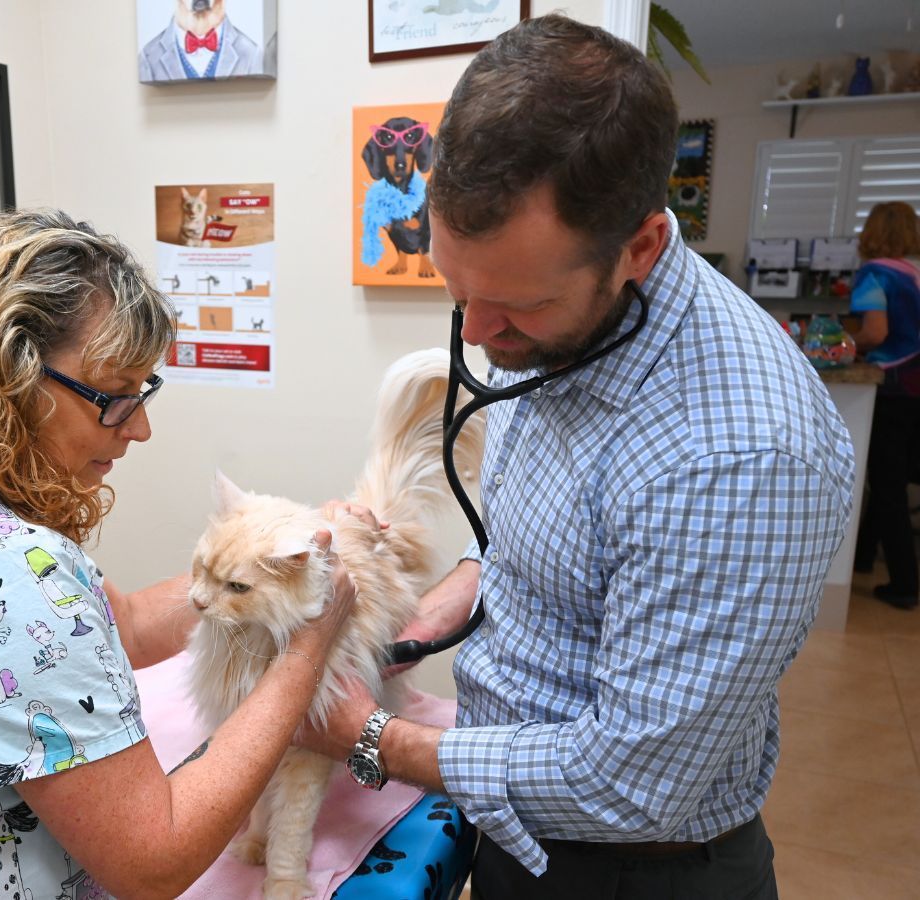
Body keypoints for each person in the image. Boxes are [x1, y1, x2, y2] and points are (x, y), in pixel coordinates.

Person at [302, 15, 855, 899]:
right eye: (457, 289)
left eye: (517, 308)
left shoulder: (739, 456)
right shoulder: (558, 318)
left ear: (639, 249)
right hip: (516, 832)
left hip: (632, 870)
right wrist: (433, 609)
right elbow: (551, 535)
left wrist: (369, 737)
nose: (478, 336)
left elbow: (627, 786)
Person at [0, 209, 361, 900]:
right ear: (12, 376)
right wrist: (307, 650)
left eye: (142, 392)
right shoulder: (1, 572)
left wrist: (266, 564)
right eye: (114, 397)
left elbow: (122, 625)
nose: (139, 428)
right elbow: (155, 860)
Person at [849, 201, 920, 610]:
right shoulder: (913, 273)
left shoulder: (875, 273)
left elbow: (875, 332)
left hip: (892, 387)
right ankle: (863, 557)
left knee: (887, 485)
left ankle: (905, 583)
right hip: (916, 387)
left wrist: (845, 344)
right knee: (891, 477)